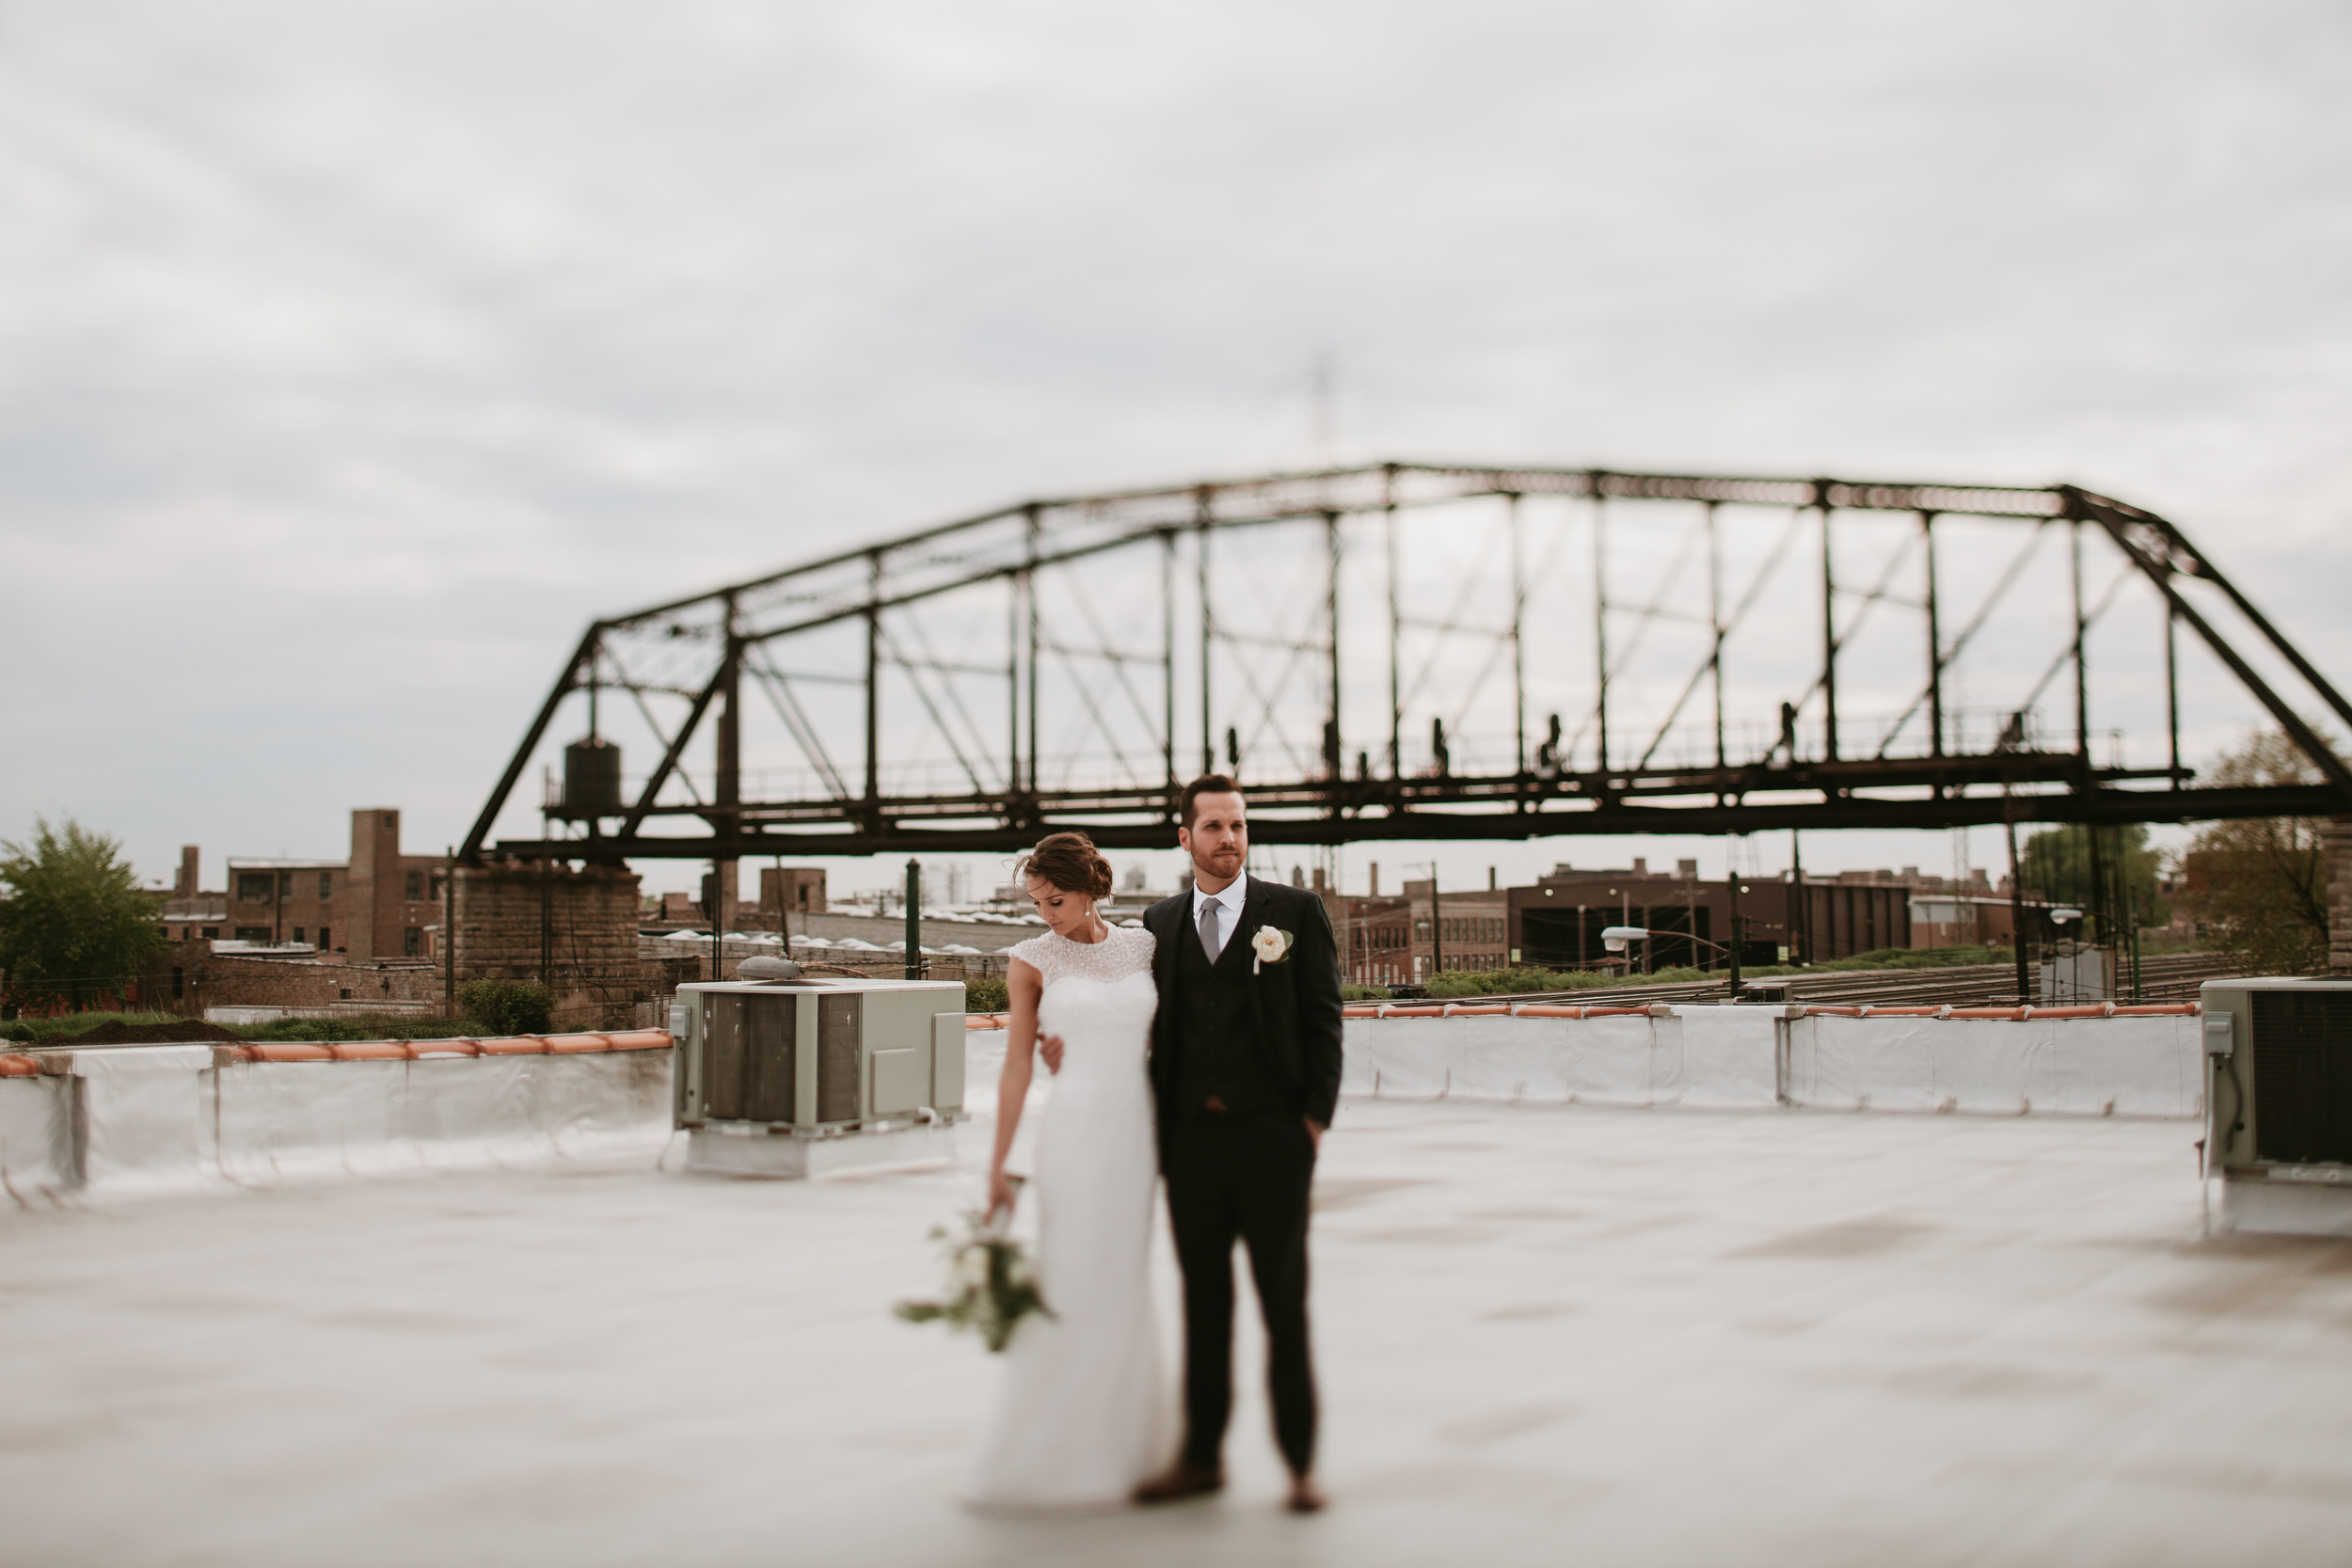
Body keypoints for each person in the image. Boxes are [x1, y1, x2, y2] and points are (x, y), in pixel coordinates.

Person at [1127, 774, 1343, 1514]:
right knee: (1204, 1302)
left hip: (1272, 1137)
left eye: (1239, 826)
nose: (1230, 839)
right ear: (1184, 837)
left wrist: (1311, 1120)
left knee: (1285, 1303)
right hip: (1190, 1142)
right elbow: (1138, 1023)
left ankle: (1302, 1464)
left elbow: (1324, 1021)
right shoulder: (1155, 923)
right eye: (1214, 826)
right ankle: (1201, 1457)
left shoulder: (1295, 912)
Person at [966, 832, 1168, 1510]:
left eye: (1055, 899)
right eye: (1036, 902)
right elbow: (1018, 1064)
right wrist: (998, 1166)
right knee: (1071, 1276)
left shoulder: (1144, 946)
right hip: (1073, 1131)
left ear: (1090, 888)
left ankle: (1128, 1441)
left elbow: (1170, 1036)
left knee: (1124, 1281)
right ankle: (1056, 1447)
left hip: (1136, 1131)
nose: (1045, 913)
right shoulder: (1029, 960)